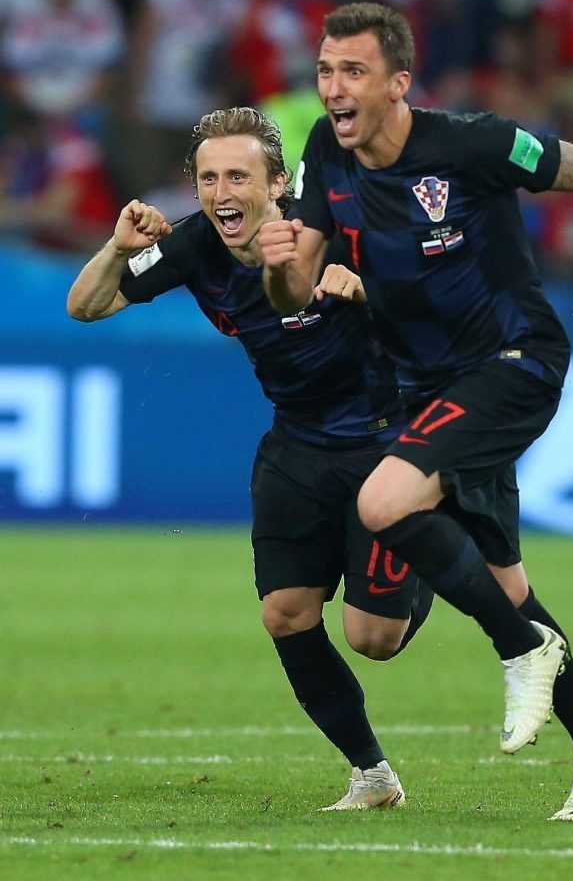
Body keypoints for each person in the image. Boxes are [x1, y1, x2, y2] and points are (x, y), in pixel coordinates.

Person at [258, 2, 573, 821]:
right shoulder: (325, 151)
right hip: (424, 391)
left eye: (353, 71)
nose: (333, 88)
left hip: (514, 361)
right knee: (480, 590)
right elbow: (295, 286)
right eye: (326, 71)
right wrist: (282, 267)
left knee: (383, 500)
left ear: (398, 84)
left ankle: (521, 651)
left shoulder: (468, 143)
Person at [66, 105, 437, 812]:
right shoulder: (193, 245)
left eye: (237, 175)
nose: (221, 193)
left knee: (374, 638)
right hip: (297, 440)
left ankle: (438, 545)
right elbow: (85, 306)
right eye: (208, 178)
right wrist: (116, 248)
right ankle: (372, 776)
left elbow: (433, 303)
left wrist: (370, 289)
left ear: (277, 182)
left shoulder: (332, 230)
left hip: (383, 441)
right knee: (286, 614)